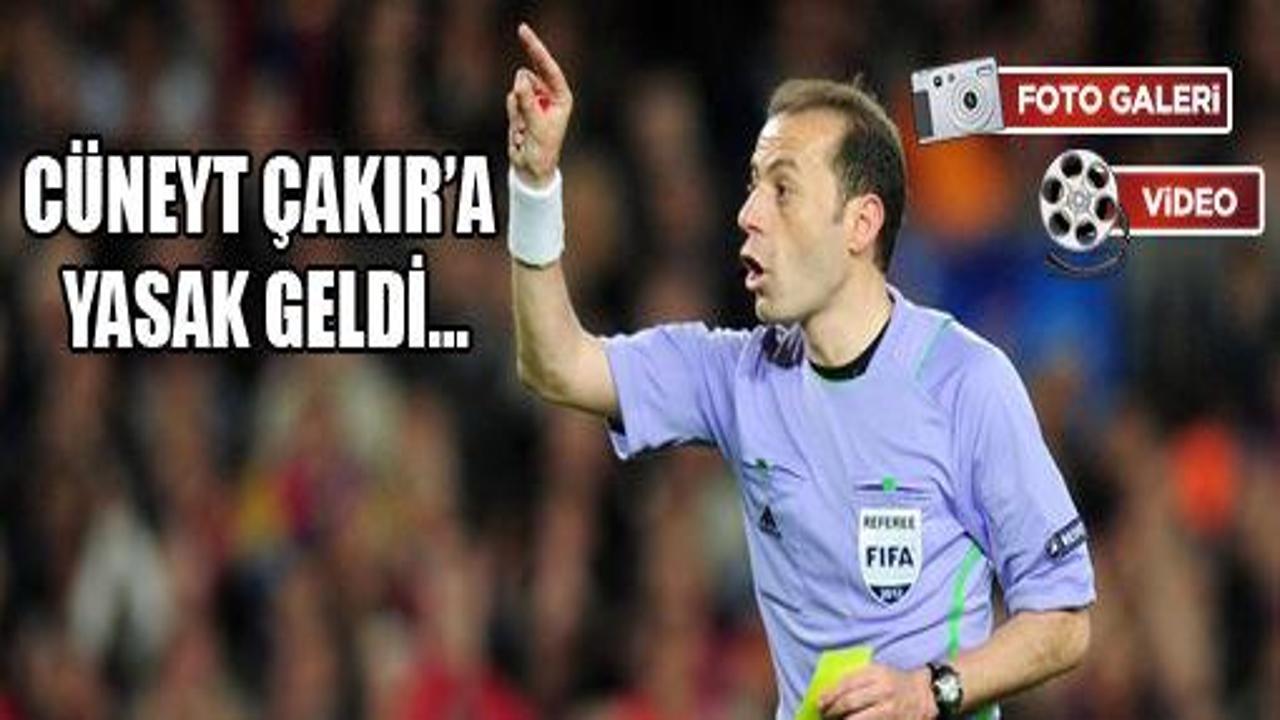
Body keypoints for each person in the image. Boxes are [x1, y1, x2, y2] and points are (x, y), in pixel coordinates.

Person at [505, 23, 1094, 720]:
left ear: (860, 224)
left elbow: (1063, 619)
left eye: (782, 190)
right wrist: (534, 185)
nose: (747, 214)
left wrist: (930, 690)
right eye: (753, 186)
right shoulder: (738, 377)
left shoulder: (966, 381)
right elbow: (556, 365)